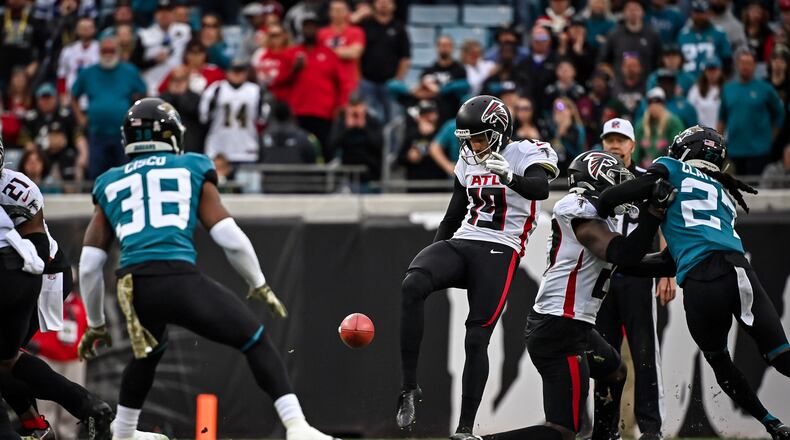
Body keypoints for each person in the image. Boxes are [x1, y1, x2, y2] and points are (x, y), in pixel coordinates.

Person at [76, 98, 340, 440]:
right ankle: (296, 427)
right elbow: (229, 236)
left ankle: (124, 433)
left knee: (148, 352)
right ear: (172, 135)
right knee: (255, 339)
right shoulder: (192, 166)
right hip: (177, 275)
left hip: (134, 283)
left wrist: (95, 323)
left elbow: (89, 266)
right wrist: (257, 282)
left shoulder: (109, 181)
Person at [597, 125, 790, 440]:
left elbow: (611, 198)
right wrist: (629, 266)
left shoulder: (671, 168)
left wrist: (623, 223)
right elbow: (678, 256)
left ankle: (772, 424)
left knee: (720, 362)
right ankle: (774, 423)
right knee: (781, 355)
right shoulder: (724, 195)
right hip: (740, 271)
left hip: (701, 281)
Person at [396, 95, 560, 439]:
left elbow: (541, 189)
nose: (473, 145)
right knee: (413, 283)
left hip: (502, 247)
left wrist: (510, 176)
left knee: (476, 337)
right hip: (466, 240)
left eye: (479, 137)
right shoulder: (468, 160)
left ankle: (465, 429)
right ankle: (409, 388)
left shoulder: (527, 151)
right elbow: (455, 214)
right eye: (468, 139)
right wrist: (436, 251)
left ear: (500, 132)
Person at [482, 150, 673, 440]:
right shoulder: (578, 209)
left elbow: (633, 264)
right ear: (596, 179)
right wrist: (654, 213)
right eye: (616, 181)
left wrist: (678, 256)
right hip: (559, 329)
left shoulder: (598, 220)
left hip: (574, 327)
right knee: (562, 431)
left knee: (615, 372)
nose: (622, 190)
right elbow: (626, 253)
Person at [0, 135, 117, 440]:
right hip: (33, 270)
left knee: (6, 359)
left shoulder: (15, 187)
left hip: (37, 270)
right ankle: (43, 423)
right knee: (6, 359)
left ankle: (61, 414)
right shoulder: (16, 184)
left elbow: (37, 241)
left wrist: (26, 278)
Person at [594, 118, 674, 440]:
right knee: (603, 355)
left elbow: (667, 221)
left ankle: (651, 429)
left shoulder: (646, 178)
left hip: (639, 273)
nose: (614, 145)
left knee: (644, 352)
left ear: (632, 144)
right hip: (602, 275)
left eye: (620, 139)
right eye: (609, 139)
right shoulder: (593, 180)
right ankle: (605, 429)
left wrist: (667, 270)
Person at [71, 36, 147, 180]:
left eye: (111, 50)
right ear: (99, 52)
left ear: (117, 51)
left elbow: (143, 92)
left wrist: (136, 114)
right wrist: (80, 117)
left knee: (125, 173)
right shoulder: (88, 72)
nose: (108, 54)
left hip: (123, 133)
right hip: (96, 132)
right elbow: (73, 95)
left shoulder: (129, 71)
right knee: (96, 174)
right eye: (104, 50)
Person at [285, 13, 346, 160]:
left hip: (324, 112)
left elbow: (342, 82)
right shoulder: (292, 53)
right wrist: (295, 69)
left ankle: (326, 181)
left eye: (312, 26)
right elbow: (281, 81)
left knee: (325, 148)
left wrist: (341, 105)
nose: (309, 30)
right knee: (299, 148)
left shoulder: (329, 53)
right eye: (306, 27)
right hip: (299, 111)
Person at [29, 290, 88, 440]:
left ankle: (69, 436)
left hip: (75, 361)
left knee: (73, 400)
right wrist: (38, 346)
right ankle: (48, 435)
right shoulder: (45, 301)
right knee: (46, 404)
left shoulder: (81, 304)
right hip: (48, 358)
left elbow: (90, 329)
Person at [718, 48, 785, 175]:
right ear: (737, 65)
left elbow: (779, 114)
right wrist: (718, 143)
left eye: (749, 63)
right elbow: (722, 118)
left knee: (756, 190)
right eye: (742, 63)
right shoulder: (728, 89)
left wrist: (772, 136)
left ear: (755, 65)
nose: (745, 67)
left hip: (759, 150)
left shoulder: (766, 89)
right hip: (734, 149)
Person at [199, 59, 266, 163]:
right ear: (227, 72)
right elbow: (204, 117)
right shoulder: (216, 89)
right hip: (218, 149)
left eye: (240, 71)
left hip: (247, 148)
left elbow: (262, 119)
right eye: (234, 71)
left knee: (247, 179)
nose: (237, 74)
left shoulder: (255, 91)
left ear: (246, 73)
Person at [19, 83, 88, 182]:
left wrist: (83, 153)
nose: (46, 101)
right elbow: (24, 138)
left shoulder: (65, 115)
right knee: (33, 159)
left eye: (49, 98)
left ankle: (70, 192)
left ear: (55, 98)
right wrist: (35, 148)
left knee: (70, 158)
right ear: (38, 100)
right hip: (41, 153)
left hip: (64, 154)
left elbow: (77, 135)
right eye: (43, 98)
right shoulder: (31, 117)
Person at [358, 0, 410, 123]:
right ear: (374, 4)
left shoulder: (399, 28)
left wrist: (398, 79)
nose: (383, 4)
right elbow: (357, 55)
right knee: (369, 119)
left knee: (394, 120)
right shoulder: (365, 26)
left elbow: (405, 57)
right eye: (380, 1)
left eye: (387, 1)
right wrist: (359, 77)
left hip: (390, 83)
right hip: (367, 82)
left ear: (394, 6)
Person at [597, 0, 662, 80]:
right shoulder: (614, 35)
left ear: (643, 12)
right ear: (624, 12)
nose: (633, 12)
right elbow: (603, 61)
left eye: (636, 9)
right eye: (629, 9)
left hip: (646, 82)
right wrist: (611, 76)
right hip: (619, 84)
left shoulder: (652, 35)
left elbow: (659, 61)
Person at [137, 0, 192, 94]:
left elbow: (193, 54)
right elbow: (136, 65)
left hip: (178, 86)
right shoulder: (145, 35)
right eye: (161, 12)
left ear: (173, 14)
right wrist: (154, 61)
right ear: (155, 15)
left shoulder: (185, 31)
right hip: (153, 87)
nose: (164, 15)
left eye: (168, 11)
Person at [415, 36, 468, 125]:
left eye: (447, 45)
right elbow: (418, 93)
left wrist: (435, 89)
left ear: (452, 48)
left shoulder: (459, 70)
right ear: (437, 48)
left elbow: (460, 90)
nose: (444, 48)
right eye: (442, 45)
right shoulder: (429, 70)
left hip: (452, 113)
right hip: (432, 113)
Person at [318, 0, 365, 99]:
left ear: (348, 12)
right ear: (329, 13)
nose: (337, 13)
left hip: (350, 82)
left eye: (340, 10)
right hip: (326, 82)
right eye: (334, 10)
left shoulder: (356, 31)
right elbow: (316, 55)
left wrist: (327, 52)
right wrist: (344, 51)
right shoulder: (321, 33)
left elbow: (354, 53)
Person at [677, 0, 733, 77]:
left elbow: (727, 60)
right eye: (696, 13)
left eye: (702, 13)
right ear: (692, 14)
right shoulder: (683, 34)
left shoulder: (719, 33)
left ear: (709, 14)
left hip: (711, 81)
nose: (699, 16)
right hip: (687, 80)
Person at [397, 99, 445, 187]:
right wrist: (409, 157)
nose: (428, 117)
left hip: (438, 184)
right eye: (424, 115)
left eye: (431, 114)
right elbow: (400, 159)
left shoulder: (442, 133)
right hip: (415, 185)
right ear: (419, 117)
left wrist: (428, 136)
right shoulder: (412, 135)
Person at [636, 88, 685, 169]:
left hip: (667, 168)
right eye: (651, 103)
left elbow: (677, 149)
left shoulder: (674, 122)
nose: (654, 106)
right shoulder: (641, 124)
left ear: (663, 104)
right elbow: (636, 152)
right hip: (644, 169)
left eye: (658, 102)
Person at [159, 66, 204, 154]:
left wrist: (181, 95)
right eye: (175, 79)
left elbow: (191, 110)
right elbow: (162, 113)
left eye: (181, 79)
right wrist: (172, 94)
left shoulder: (195, 97)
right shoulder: (163, 98)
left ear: (187, 80)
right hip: (169, 144)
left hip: (190, 144)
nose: (178, 83)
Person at [56, 17, 99, 102]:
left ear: (94, 30)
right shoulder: (68, 50)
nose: (86, 30)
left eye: (89, 27)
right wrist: (62, 95)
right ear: (76, 30)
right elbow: (61, 75)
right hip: (71, 96)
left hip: (95, 96)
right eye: (82, 28)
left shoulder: (101, 49)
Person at [547, 97, 586, 173]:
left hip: (573, 170)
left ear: (570, 110)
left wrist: (564, 134)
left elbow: (578, 152)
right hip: (556, 172)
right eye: (555, 108)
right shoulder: (550, 129)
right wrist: (558, 134)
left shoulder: (578, 129)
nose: (557, 111)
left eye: (560, 106)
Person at [688, 56, 724, 128]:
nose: (712, 74)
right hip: (701, 133)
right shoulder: (695, 90)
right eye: (709, 70)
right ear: (704, 72)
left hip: (722, 134)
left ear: (720, 71)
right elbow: (690, 111)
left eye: (715, 70)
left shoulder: (726, 89)